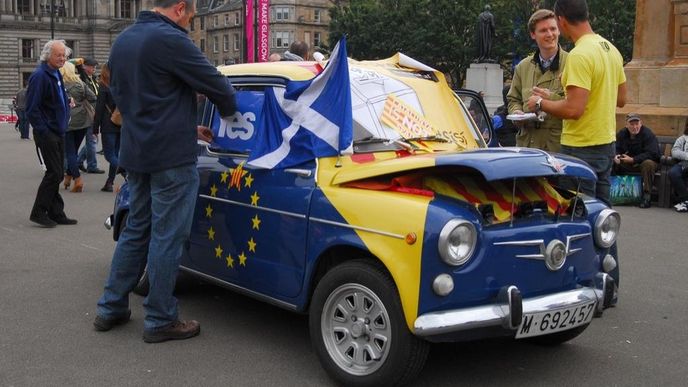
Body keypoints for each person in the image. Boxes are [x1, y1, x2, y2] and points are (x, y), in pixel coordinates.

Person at [94, 0, 237, 343]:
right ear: (179, 8)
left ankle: (110, 307)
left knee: (136, 230)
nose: (190, 22)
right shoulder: (171, 39)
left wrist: (187, 127)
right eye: (190, 16)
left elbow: (140, 100)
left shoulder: (124, 40)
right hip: (170, 158)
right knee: (167, 236)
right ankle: (159, 318)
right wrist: (232, 111)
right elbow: (218, 85)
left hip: (137, 152)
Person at [526, 0, 627, 205]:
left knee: (578, 215)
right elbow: (622, 99)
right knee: (601, 214)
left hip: (580, 147)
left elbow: (574, 110)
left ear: (561, 20)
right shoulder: (610, 49)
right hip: (606, 143)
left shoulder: (578, 55)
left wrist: (539, 103)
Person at [25, 40, 78, 228]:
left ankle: (56, 212)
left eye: (64, 55)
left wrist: (67, 101)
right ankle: (38, 212)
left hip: (59, 130)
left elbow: (56, 98)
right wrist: (44, 130)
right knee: (54, 173)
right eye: (59, 55)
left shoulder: (56, 73)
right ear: (48, 55)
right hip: (48, 133)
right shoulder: (40, 76)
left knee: (57, 172)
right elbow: (31, 108)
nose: (63, 58)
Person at [507, 9, 567, 152]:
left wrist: (548, 99)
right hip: (527, 147)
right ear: (533, 34)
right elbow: (513, 99)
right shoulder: (522, 67)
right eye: (543, 30)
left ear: (559, 31)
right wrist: (516, 112)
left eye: (553, 29)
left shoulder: (572, 63)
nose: (550, 34)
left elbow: (577, 105)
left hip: (557, 148)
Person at [61, 60, 97, 192]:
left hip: (67, 121)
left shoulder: (60, 84)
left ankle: (77, 179)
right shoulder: (80, 83)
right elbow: (93, 97)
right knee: (74, 151)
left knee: (70, 152)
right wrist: (80, 101)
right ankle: (68, 177)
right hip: (83, 121)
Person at [613, 113, 660, 208]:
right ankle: (611, 193)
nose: (635, 127)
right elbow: (616, 147)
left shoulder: (648, 134)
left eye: (637, 124)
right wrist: (616, 156)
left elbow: (652, 153)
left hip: (644, 163)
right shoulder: (622, 133)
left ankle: (647, 197)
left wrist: (633, 159)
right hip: (627, 162)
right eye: (632, 124)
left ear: (641, 123)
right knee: (610, 162)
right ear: (627, 125)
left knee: (648, 163)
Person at [92, 62, 121, 192]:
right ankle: (109, 182)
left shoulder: (104, 87)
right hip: (120, 123)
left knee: (110, 156)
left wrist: (95, 129)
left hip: (108, 125)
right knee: (115, 154)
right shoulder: (120, 85)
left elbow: (98, 110)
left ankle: (126, 170)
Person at [75, 57, 105, 174]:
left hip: (95, 113)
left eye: (95, 67)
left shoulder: (94, 79)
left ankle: (79, 161)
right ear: (85, 67)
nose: (94, 69)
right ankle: (91, 165)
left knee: (92, 140)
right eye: (92, 66)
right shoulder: (82, 78)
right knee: (92, 140)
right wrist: (79, 65)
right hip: (89, 112)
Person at [670, 122, 688, 212]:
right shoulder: (683, 138)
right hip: (684, 163)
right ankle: (685, 199)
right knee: (673, 172)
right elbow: (675, 151)